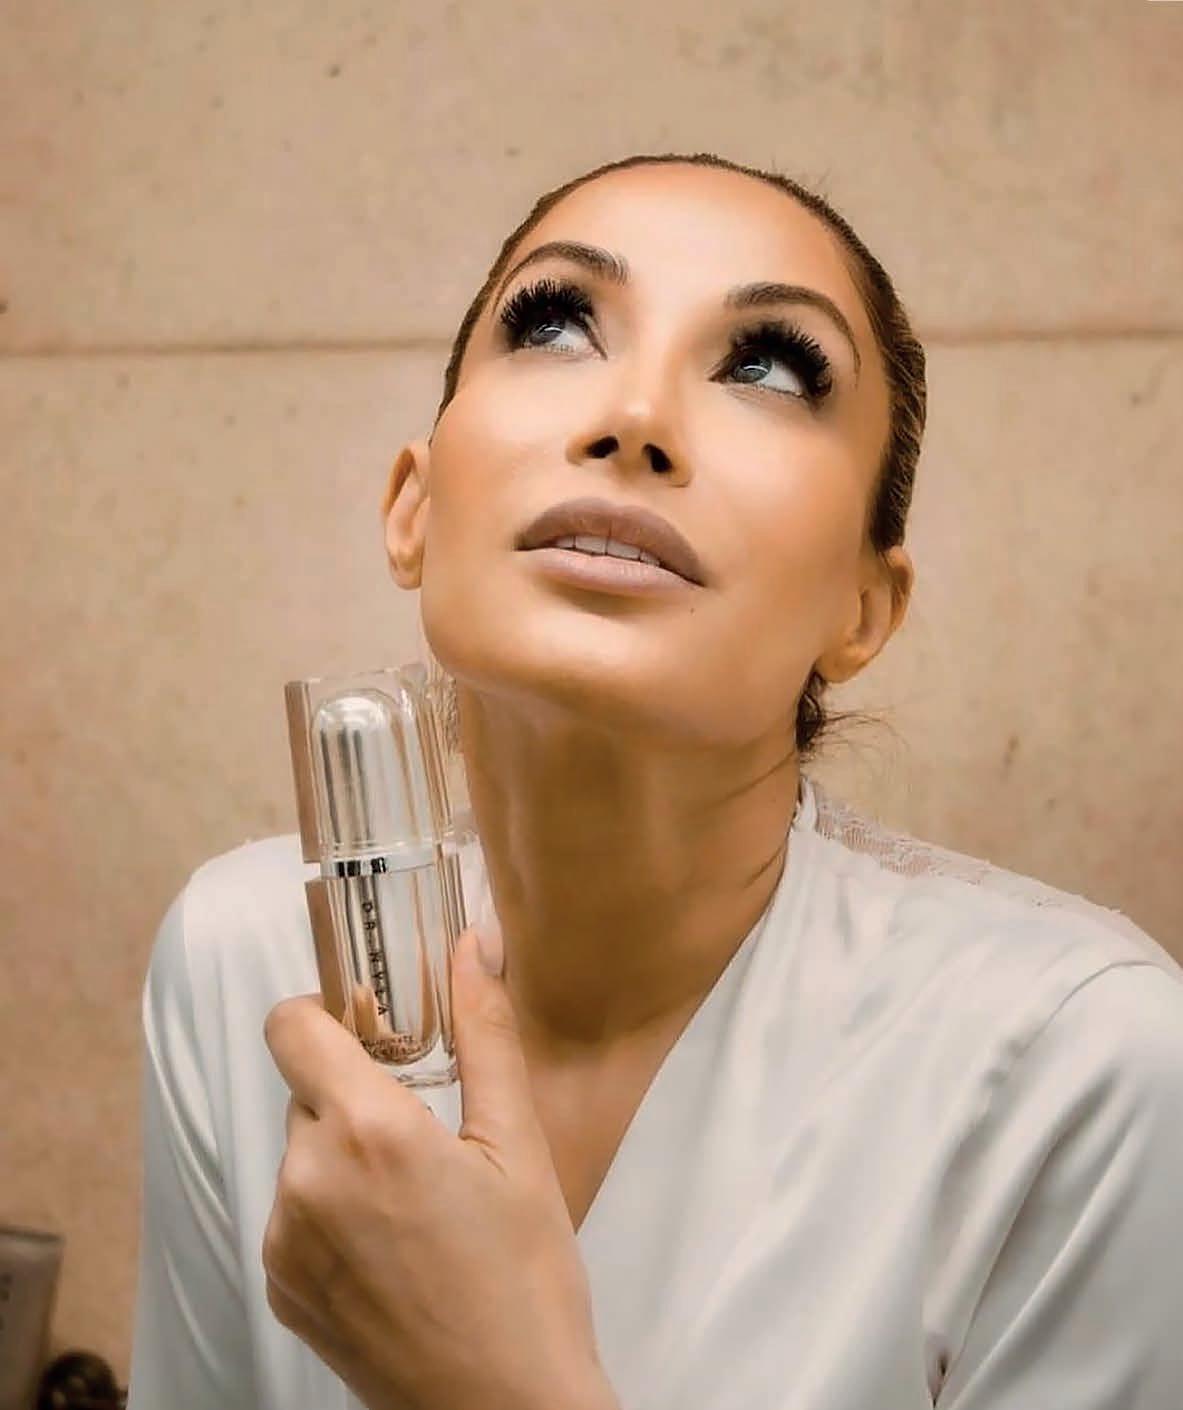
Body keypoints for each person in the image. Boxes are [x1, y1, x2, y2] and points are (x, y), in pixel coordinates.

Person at [126, 152, 1183, 1410]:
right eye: (555, 323)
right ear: (413, 505)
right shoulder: (241, 959)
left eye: (769, 367)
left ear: (864, 604)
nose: (633, 418)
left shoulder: (1085, 1070)